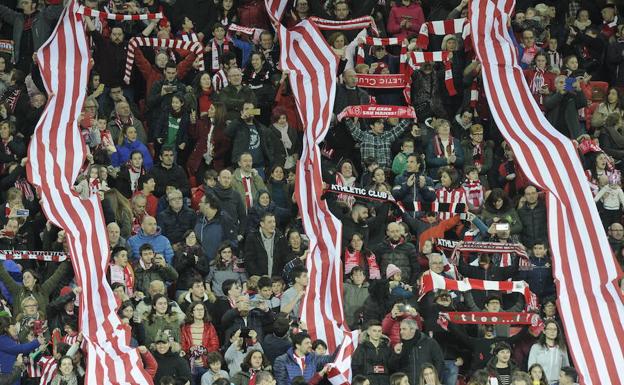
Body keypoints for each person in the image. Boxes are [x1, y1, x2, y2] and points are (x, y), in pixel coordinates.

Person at [389, 319, 444, 385]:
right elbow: (392, 368)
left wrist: (434, 381)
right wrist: (396, 354)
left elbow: (439, 362)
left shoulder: (430, 343)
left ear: (412, 330)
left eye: (404, 329)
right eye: (400, 329)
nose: (401, 332)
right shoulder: (399, 346)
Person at [180, 302, 220, 384]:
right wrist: (190, 350)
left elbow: (215, 345)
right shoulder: (185, 327)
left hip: (205, 364)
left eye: (202, 309)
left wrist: (204, 350)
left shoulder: (209, 327)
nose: (200, 312)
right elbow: (182, 345)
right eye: (197, 309)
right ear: (191, 313)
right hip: (190, 365)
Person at [243, 213, 289, 277]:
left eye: (274, 222)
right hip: (259, 280)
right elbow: (249, 261)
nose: (273, 225)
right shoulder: (252, 238)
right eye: (269, 222)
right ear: (262, 224)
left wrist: (278, 277)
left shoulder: (281, 237)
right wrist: (260, 276)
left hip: (276, 281)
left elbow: (284, 259)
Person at [351, 320, 392, 385]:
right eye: (374, 331)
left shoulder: (387, 349)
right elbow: (355, 368)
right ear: (368, 332)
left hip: (385, 382)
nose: (377, 333)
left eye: (379, 331)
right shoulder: (361, 349)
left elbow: (392, 367)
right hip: (368, 382)